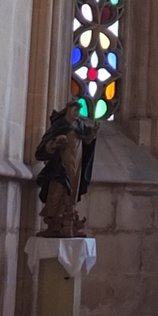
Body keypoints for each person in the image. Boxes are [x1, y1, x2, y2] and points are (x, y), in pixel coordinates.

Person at [34, 100, 97, 236]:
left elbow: (86, 141)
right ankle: (54, 220)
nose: (77, 114)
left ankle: (69, 219)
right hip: (61, 166)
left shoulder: (80, 125)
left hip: (76, 165)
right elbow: (42, 149)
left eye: (79, 111)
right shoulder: (60, 125)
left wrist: (92, 134)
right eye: (75, 110)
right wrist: (54, 144)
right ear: (69, 110)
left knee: (72, 191)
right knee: (58, 190)